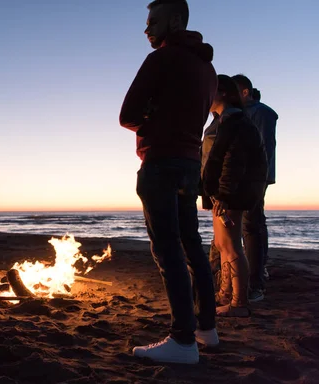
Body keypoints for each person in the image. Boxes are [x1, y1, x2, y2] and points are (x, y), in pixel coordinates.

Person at [119, 0, 218, 364]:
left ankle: (182, 339)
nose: (147, 30)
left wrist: (153, 121)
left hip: (161, 162)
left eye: (153, 22)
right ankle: (207, 329)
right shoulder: (208, 69)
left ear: (175, 20)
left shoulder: (160, 59)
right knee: (191, 243)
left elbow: (127, 114)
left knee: (167, 248)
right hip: (191, 165)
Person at [201, 75, 268, 317]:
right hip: (221, 193)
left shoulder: (236, 122)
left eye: (212, 90)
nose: (207, 95)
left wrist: (224, 195)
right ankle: (225, 294)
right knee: (222, 244)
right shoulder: (221, 121)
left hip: (231, 193)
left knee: (231, 246)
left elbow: (234, 162)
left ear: (225, 94)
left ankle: (239, 303)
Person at [232, 74, 279, 302]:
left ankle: (256, 282)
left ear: (245, 92)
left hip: (252, 180)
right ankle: (252, 274)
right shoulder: (236, 114)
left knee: (252, 226)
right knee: (246, 226)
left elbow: (264, 149)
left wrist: (259, 179)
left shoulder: (261, 113)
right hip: (237, 179)